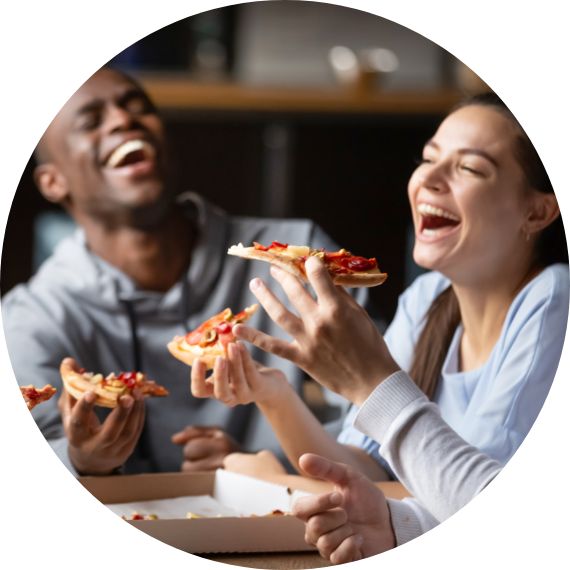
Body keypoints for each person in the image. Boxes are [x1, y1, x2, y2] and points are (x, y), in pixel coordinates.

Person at [190, 92, 568, 556]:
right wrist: (275, 395)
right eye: (428, 159)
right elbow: (366, 473)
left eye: (468, 168)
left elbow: (483, 510)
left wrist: (278, 477)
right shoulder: (427, 299)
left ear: (538, 211)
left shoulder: (553, 298)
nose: (428, 178)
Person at [2, 66, 373, 476]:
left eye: (137, 107)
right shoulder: (30, 316)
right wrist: (82, 460)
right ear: (53, 182)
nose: (124, 120)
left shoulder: (301, 260)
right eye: (92, 121)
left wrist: (272, 464)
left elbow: (377, 417)